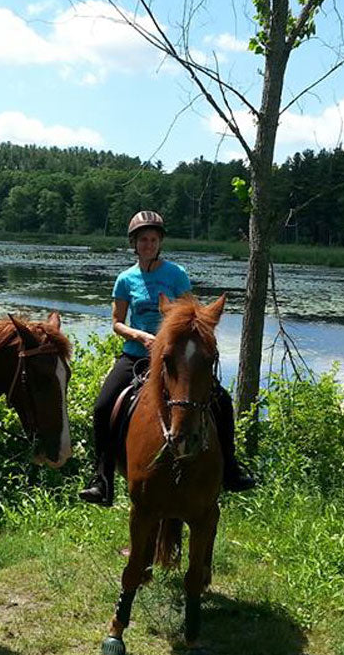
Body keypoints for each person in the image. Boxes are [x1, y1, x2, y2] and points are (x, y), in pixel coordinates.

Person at [79, 210, 256, 506]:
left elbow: (191, 317)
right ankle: (102, 479)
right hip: (136, 356)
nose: (148, 245)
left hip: (175, 359)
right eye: (142, 240)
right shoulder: (125, 280)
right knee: (102, 406)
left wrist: (167, 341)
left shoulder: (176, 275)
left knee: (222, 401)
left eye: (153, 239)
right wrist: (141, 337)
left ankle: (231, 470)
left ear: (160, 242)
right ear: (134, 244)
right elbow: (117, 323)